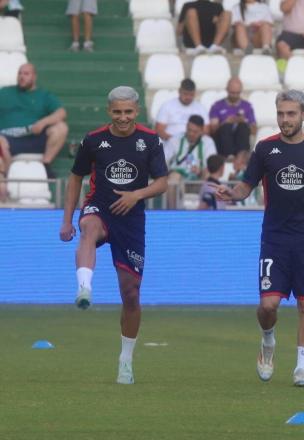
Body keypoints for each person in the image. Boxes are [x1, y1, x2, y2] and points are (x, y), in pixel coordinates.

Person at [214, 89, 304, 387]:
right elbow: (246, 187)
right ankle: (268, 340)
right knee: (268, 305)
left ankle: (301, 369)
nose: (285, 120)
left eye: (290, 114)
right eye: (281, 114)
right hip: (274, 237)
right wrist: (232, 194)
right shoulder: (264, 149)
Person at [59, 86, 169, 385]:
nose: (123, 117)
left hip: (131, 219)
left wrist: (136, 195)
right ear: (110, 112)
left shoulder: (149, 140)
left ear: (137, 111)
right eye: (117, 112)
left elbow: (162, 182)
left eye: (128, 112)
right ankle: (84, 288)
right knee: (88, 229)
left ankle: (125, 360)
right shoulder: (94, 140)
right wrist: (67, 220)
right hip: (100, 208)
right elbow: (75, 177)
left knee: (131, 293)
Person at [0, 63, 68, 178]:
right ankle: (9, 175)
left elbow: (61, 113)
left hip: (33, 136)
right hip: (7, 138)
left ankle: (46, 164)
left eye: (26, 74)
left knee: (61, 127)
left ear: (34, 77)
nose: (22, 76)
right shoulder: (4, 92)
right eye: (20, 73)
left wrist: (43, 122)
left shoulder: (43, 95)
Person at [165, 114, 216, 208]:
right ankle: (172, 213)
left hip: (199, 180)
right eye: (189, 130)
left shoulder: (208, 142)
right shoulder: (175, 139)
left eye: (195, 132)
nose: (191, 134)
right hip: (180, 179)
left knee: (209, 174)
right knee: (173, 178)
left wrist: (200, 171)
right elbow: (163, 159)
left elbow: (212, 165)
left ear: (201, 131)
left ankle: (204, 211)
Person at [155, 79, 207, 153]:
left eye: (191, 95)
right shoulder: (167, 106)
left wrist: (190, 140)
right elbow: (159, 130)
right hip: (171, 144)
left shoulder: (200, 108)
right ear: (179, 91)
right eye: (185, 94)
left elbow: (206, 131)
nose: (188, 97)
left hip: (195, 145)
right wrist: (177, 141)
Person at [209, 77, 256, 157]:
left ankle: (241, 157)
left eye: (237, 93)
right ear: (227, 90)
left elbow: (254, 130)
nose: (235, 95)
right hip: (222, 145)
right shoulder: (217, 106)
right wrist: (225, 122)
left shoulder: (247, 106)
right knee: (226, 127)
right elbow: (212, 130)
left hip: (241, 142)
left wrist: (243, 121)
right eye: (232, 93)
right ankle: (229, 157)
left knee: (243, 127)